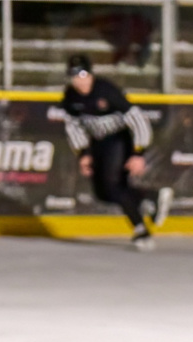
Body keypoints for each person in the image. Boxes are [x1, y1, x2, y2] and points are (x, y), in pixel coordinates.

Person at [59, 54, 170, 251]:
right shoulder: (71, 97)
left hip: (120, 140)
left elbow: (137, 119)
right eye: (74, 76)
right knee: (103, 194)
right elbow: (73, 126)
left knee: (113, 185)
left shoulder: (106, 91)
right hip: (98, 143)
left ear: (91, 74)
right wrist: (83, 153)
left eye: (83, 75)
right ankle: (148, 196)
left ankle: (140, 229)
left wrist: (138, 152)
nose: (80, 81)